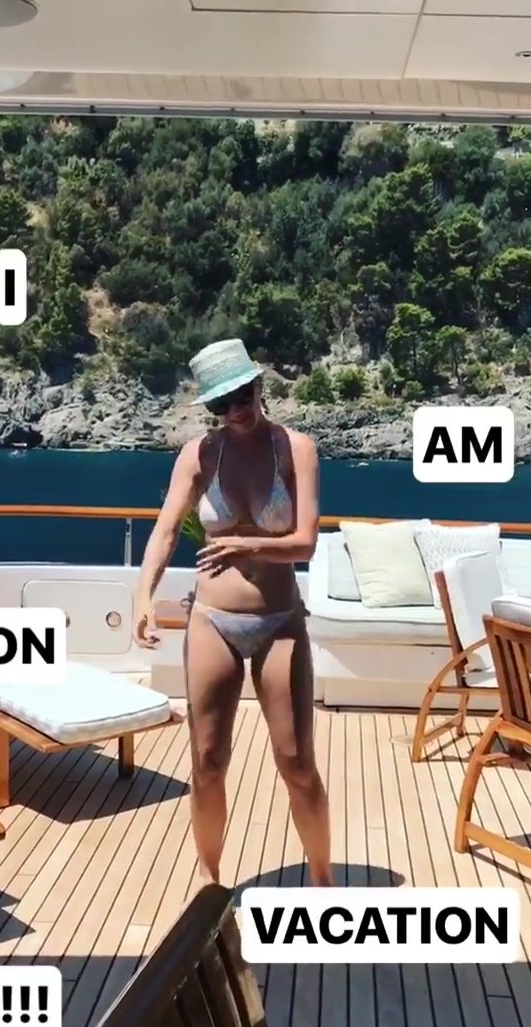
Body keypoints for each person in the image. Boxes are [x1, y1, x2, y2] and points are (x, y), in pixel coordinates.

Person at [133, 338, 332, 887]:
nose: (236, 411)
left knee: (296, 761)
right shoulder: (199, 455)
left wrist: (247, 545)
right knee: (207, 760)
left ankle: (322, 880)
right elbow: (165, 530)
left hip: (279, 620)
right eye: (221, 404)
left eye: (242, 396)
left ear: (259, 387)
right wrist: (143, 596)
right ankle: (211, 880)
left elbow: (306, 543)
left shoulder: (297, 449)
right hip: (212, 620)